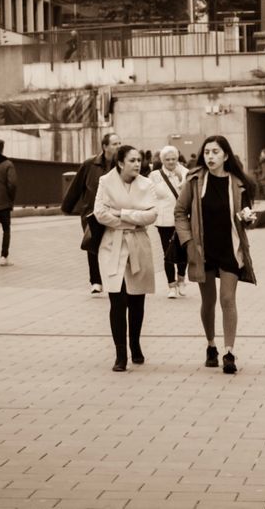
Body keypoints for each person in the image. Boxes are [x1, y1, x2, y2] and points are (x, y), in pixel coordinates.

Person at [174, 135, 258, 375]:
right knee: (208, 301)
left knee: (228, 299)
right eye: (207, 152)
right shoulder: (194, 181)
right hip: (203, 250)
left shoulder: (239, 184)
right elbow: (180, 212)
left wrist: (248, 219)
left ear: (226, 156)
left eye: (215, 152)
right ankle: (211, 345)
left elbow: (246, 215)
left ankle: (229, 352)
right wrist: (188, 241)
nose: (210, 156)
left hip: (230, 249)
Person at [93, 146, 158, 371]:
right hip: (112, 246)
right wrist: (133, 218)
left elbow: (151, 214)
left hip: (138, 245)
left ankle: (136, 345)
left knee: (137, 299)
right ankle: (121, 354)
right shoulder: (105, 181)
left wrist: (121, 213)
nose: (137, 164)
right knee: (117, 300)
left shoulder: (147, 184)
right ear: (120, 162)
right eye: (132, 160)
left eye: (139, 160)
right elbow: (100, 213)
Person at [78, 132, 121, 295]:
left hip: (114, 212)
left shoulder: (122, 164)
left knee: (113, 244)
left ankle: (113, 278)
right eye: (115, 144)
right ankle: (95, 281)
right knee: (92, 244)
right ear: (105, 147)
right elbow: (77, 186)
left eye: (119, 143)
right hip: (91, 212)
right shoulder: (90, 164)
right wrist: (71, 207)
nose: (118, 146)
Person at [149, 145, 189, 298]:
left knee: (183, 251)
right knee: (167, 253)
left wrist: (180, 178)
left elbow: (189, 193)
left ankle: (181, 280)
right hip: (164, 219)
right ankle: (171, 285)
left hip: (182, 219)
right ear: (162, 160)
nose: (171, 162)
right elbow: (149, 195)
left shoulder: (185, 173)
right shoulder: (154, 176)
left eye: (174, 159)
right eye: (167, 159)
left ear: (178, 159)